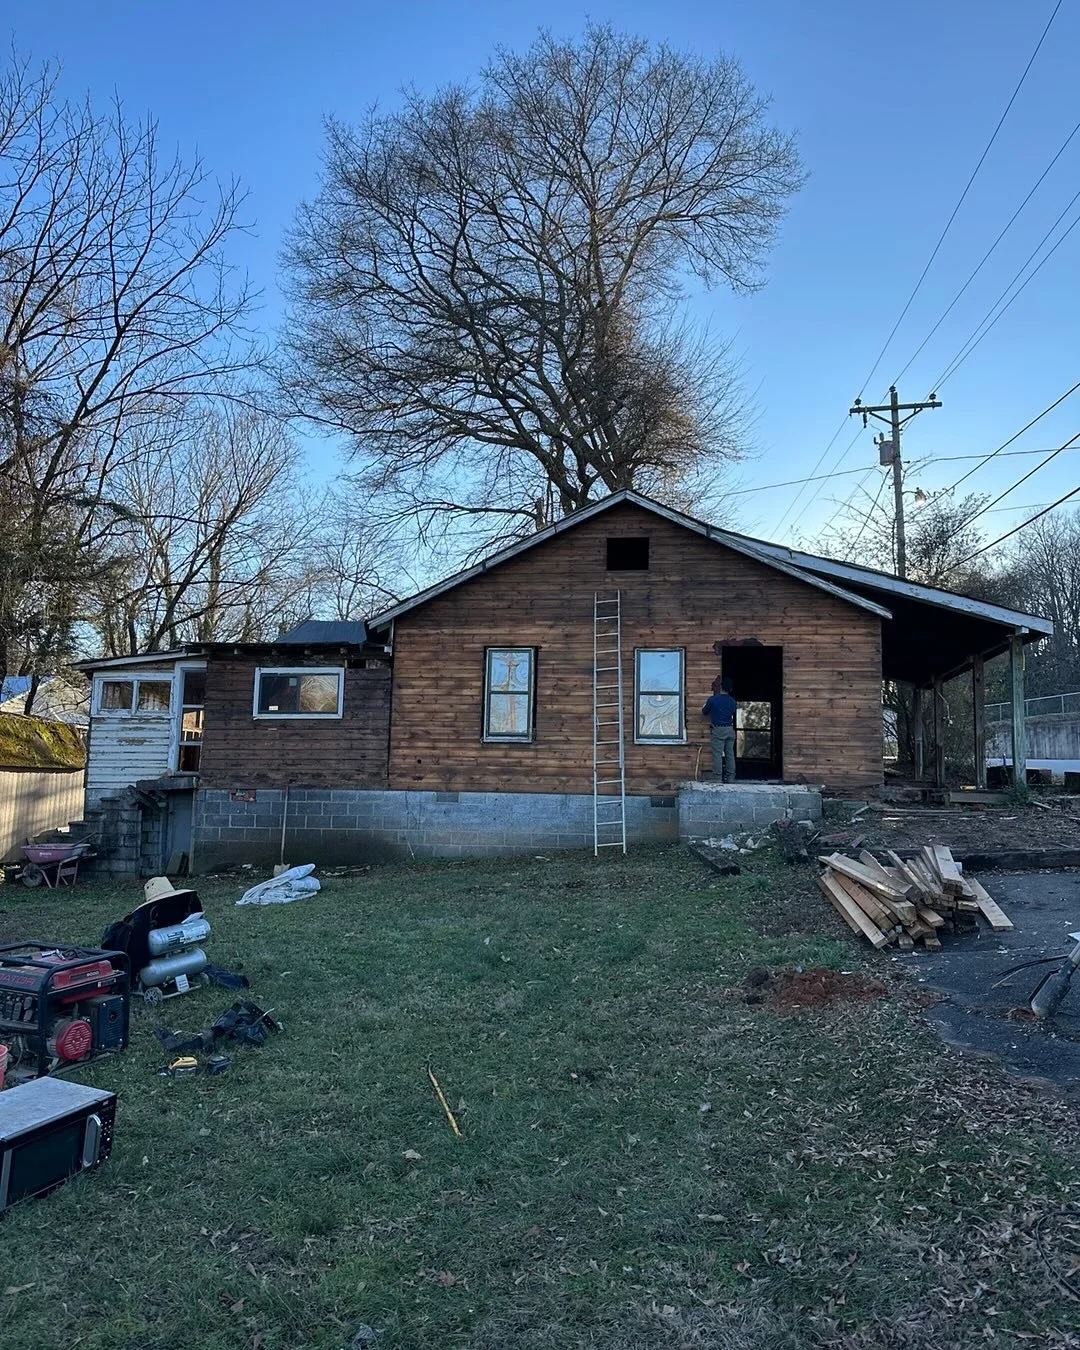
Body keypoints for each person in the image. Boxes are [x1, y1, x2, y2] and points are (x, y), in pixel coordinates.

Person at [701, 677, 737, 783]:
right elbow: (732, 712)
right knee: (730, 754)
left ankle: (717, 778)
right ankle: (731, 778)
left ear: (720, 686)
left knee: (717, 754)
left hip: (718, 729)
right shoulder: (732, 701)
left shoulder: (713, 700)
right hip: (730, 729)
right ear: (730, 689)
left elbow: (704, 711)